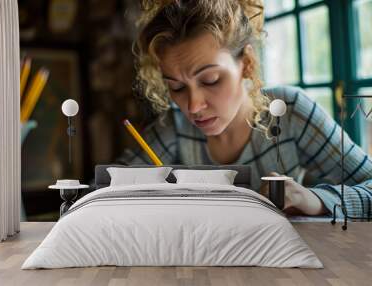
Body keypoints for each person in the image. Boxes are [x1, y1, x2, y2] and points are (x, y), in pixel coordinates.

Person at [115, 0, 372, 218]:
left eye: (211, 80)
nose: (193, 107)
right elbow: (107, 190)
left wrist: (314, 200)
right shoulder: (173, 128)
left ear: (247, 63)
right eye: (177, 88)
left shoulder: (289, 112)